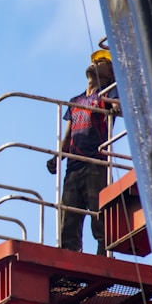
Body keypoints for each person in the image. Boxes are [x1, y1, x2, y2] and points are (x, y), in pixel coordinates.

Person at [46, 49, 119, 255]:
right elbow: (68, 135)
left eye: (102, 61)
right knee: (68, 219)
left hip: (96, 163)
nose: (95, 63)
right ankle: (68, 261)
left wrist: (115, 106)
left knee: (100, 215)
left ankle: (104, 258)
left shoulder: (108, 93)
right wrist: (57, 157)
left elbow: (118, 108)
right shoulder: (75, 101)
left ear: (111, 73)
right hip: (73, 165)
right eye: (94, 60)